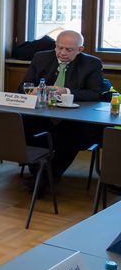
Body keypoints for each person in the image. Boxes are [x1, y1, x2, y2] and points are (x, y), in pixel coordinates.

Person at [19, 29, 106, 182]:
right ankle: (39, 173)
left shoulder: (92, 63)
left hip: (74, 118)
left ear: (80, 50)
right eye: (59, 47)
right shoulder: (41, 58)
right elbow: (23, 87)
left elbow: (95, 93)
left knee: (68, 137)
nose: (62, 52)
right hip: (43, 114)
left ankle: (44, 177)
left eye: (68, 49)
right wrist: (32, 91)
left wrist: (65, 91)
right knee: (24, 125)